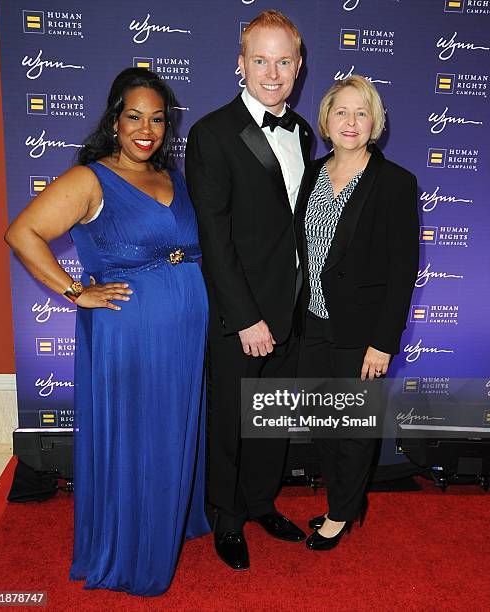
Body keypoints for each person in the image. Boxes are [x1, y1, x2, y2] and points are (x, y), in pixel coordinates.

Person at [4, 68, 210, 595]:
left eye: (157, 119)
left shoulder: (172, 177)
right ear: (115, 119)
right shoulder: (91, 178)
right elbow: (21, 231)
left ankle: (169, 519)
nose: (146, 129)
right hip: (129, 337)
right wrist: (75, 291)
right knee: (135, 437)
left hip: (183, 335)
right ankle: (130, 546)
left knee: (172, 429)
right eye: (135, 117)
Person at [185, 11, 314, 571]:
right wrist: (245, 317)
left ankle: (261, 504)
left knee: (272, 420)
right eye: (260, 60)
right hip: (240, 316)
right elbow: (214, 238)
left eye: (283, 60)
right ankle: (227, 520)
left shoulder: (307, 131)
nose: (272, 72)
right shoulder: (212, 133)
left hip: (291, 311)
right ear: (240, 64)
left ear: (298, 66)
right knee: (232, 421)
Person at [294, 75, 419, 550]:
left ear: (376, 122)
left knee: (351, 428)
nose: (350, 122)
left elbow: (403, 268)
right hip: (311, 325)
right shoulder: (310, 175)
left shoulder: (396, 183)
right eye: (341, 111)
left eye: (361, 112)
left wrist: (384, 341)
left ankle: (342, 512)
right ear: (326, 119)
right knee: (322, 422)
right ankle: (344, 501)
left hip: (362, 331)